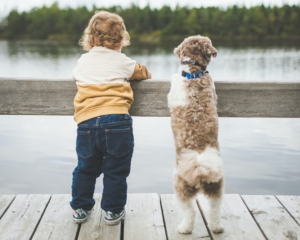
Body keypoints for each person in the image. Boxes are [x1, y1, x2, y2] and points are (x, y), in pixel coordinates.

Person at [70, 10, 151, 225]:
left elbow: (76, 75)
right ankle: (113, 212)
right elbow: (143, 72)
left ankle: (80, 208)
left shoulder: (83, 61)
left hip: (86, 123)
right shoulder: (122, 61)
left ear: (90, 39)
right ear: (121, 40)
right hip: (117, 122)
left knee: (85, 168)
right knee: (116, 171)